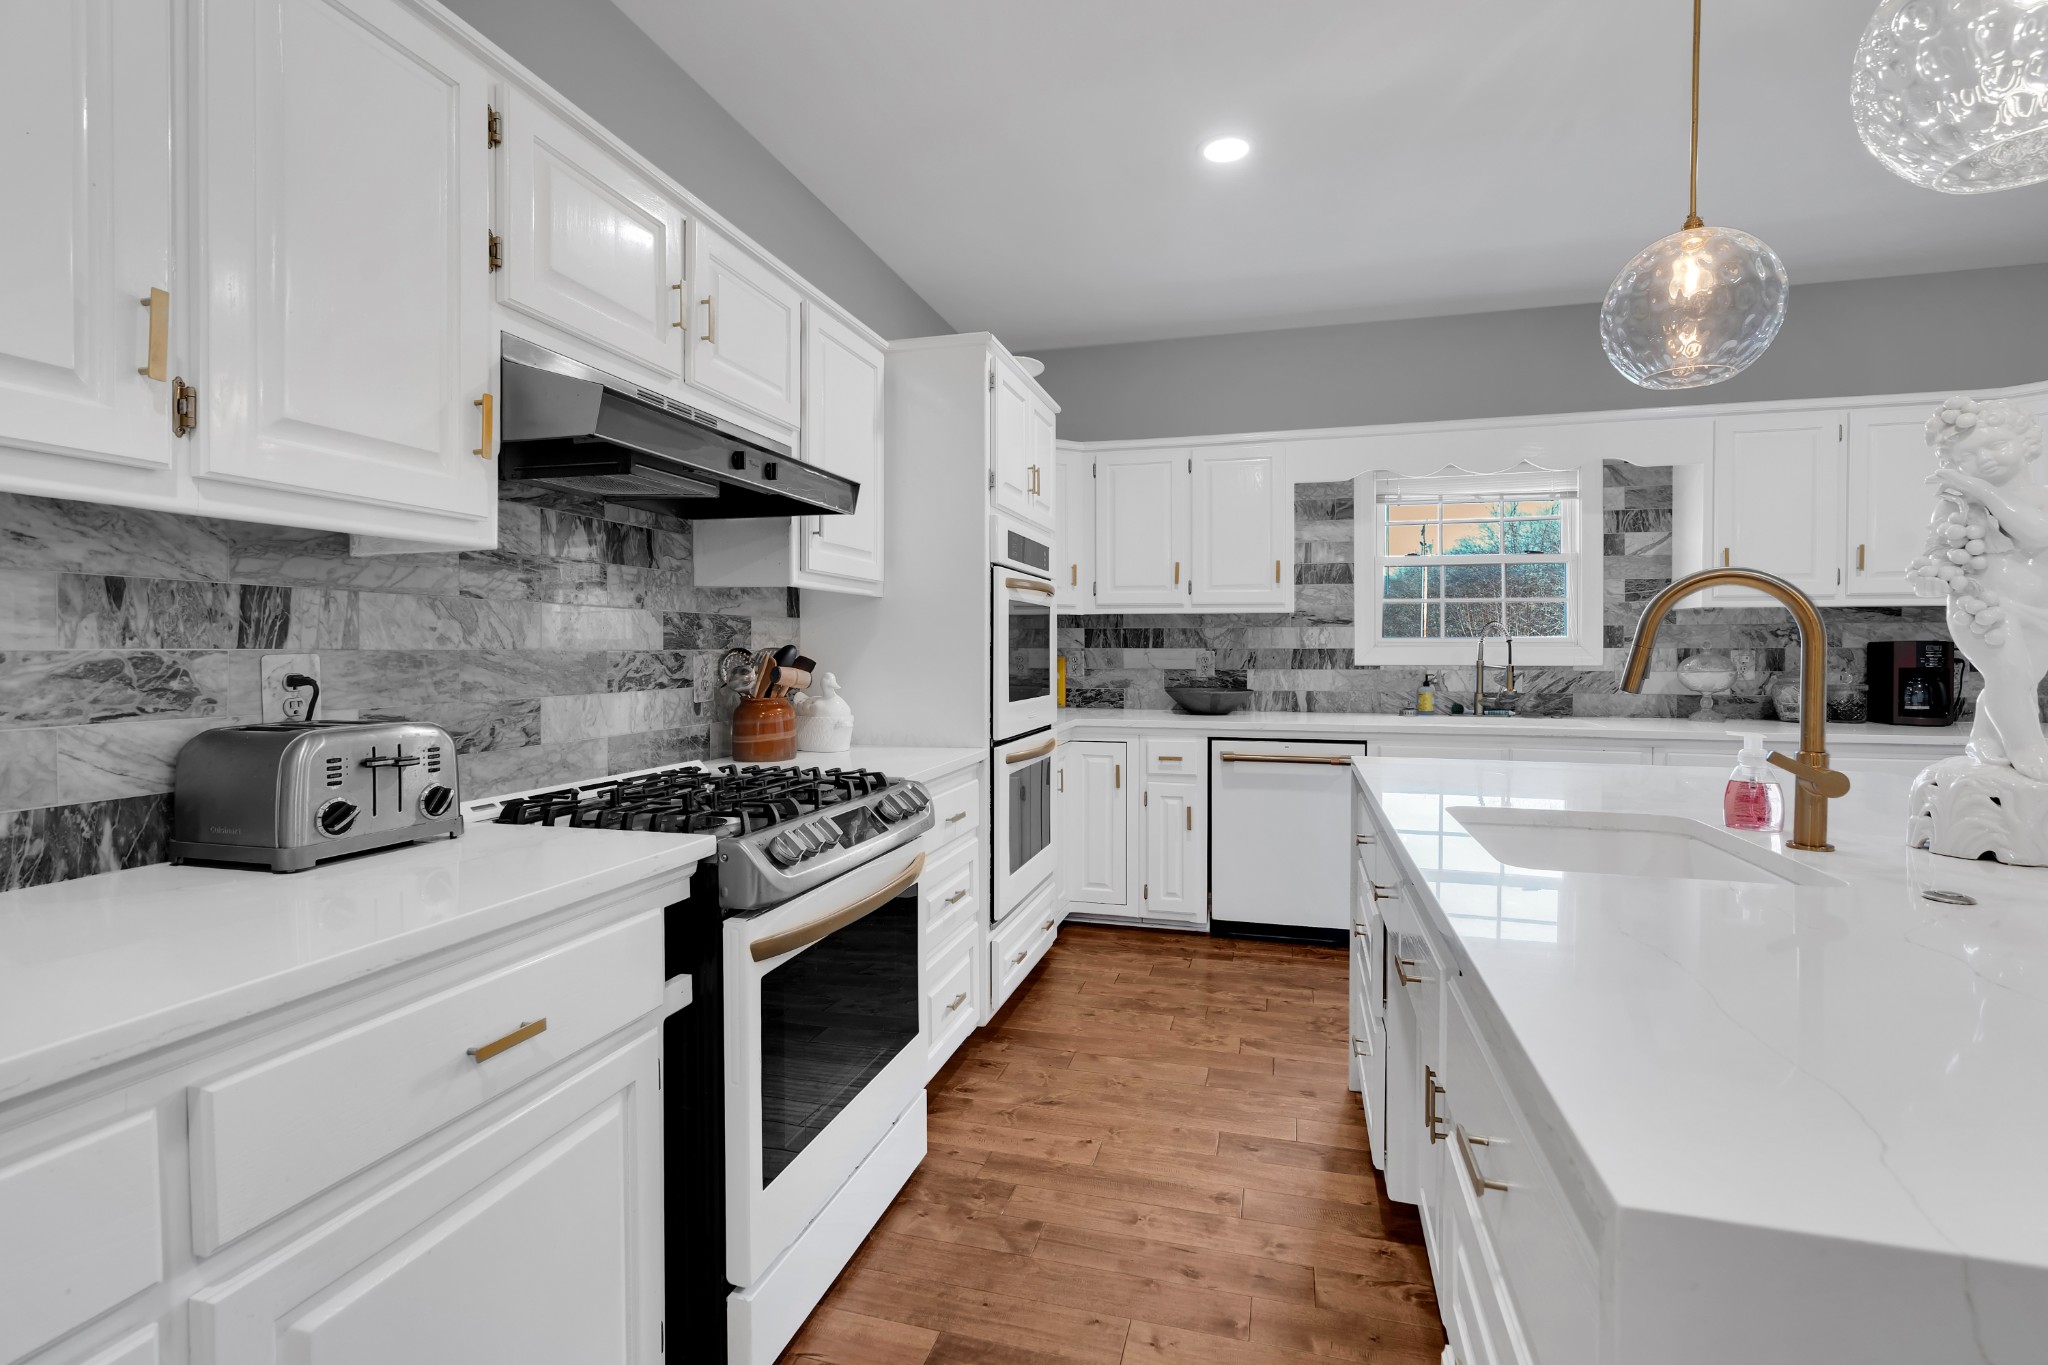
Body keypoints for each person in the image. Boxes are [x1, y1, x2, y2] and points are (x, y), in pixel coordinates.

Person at [1912, 397, 2048, 780]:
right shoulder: (1955, 507)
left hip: (2039, 611)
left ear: (2026, 442)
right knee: (2011, 676)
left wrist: (1981, 490)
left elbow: (2038, 535)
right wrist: (1929, 576)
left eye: (1997, 445)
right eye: (1969, 456)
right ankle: (2028, 748)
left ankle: (1983, 741)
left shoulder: (2043, 496)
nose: (1986, 459)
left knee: (2020, 680)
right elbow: (1936, 553)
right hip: (1980, 605)